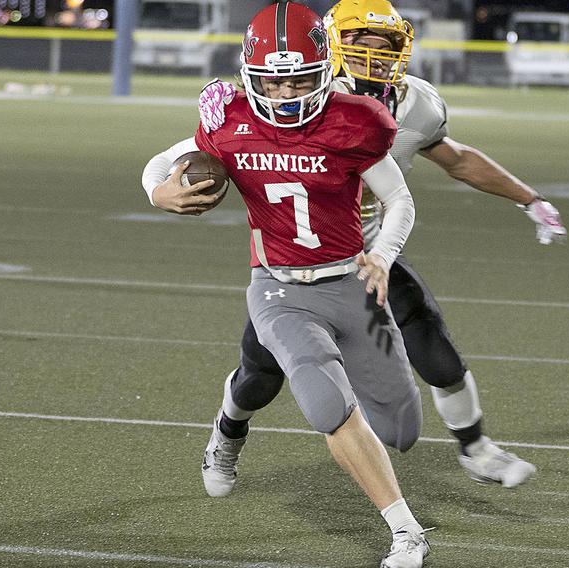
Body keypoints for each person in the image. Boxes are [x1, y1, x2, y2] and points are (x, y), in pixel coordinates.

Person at [170, 0, 566, 494]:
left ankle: (477, 448)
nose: (375, 58)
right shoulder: (297, 93)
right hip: (293, 264)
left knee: (433, 346)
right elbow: (248, 92)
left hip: (370, 257)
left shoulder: (411, 103)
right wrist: (213, 98)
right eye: (361, 45)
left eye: (386, 47)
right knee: (260, 376)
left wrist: (530, 200)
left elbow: (457, 159)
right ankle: (228, 432)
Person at [142, 3, 429, 566]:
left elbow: (398, 198)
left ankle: (384, 481)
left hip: (351, 279)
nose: (289, 95)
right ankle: (405, 530)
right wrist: (158, 192)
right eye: (275, 81)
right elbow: (161, 162)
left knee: (402, 427)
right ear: (252, 77)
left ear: (326, 69)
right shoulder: (228, 119)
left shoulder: (356, 120)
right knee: (325, 401)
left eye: (301, 79)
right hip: (278, 287)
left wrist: (383, 254)